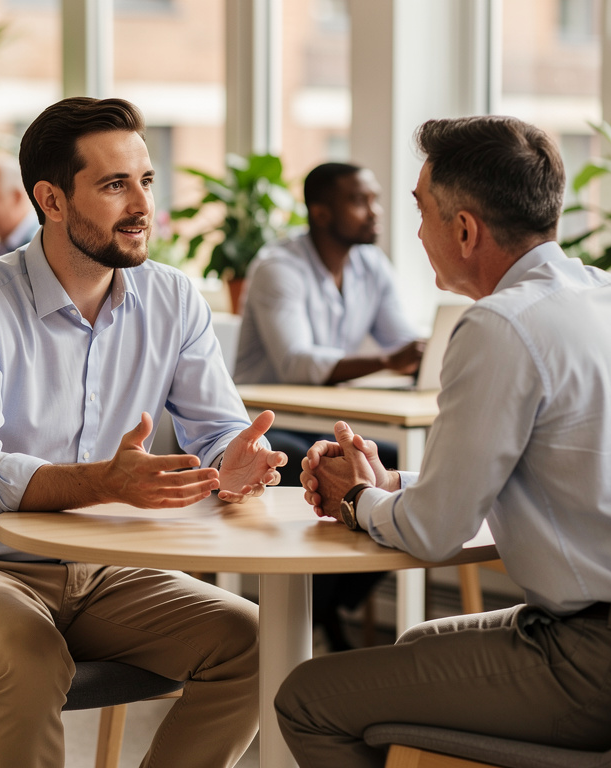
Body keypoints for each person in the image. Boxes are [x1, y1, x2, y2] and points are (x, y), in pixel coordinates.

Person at [277, 115, 611, 768]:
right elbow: (539, 477)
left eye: (421, 213)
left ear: (464, 229)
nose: (415, 233)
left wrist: (356, 497)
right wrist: (389, 486)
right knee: (414, 644)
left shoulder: (501, 323)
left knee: (307, 697)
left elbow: (436, 532)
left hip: (598, 666)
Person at [0, 97, 287, 768]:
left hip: (104, 575)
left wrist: (235, 462)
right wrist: (104, 481)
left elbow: (219, 430)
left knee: (256, 643)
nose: (142, 206)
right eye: (113, 185)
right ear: (51, 199)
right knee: (28, 654)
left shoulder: (173, 299)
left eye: (146, 181)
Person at [234, 162, 424, 650]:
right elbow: (297, 363)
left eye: (375, 199)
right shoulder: (279, 267)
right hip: (262, 422)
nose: (375, 212)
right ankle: (303, 615)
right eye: (360, 201)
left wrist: (425, 352)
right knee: (306, 463)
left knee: (393, 465)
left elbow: (399, 341)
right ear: (320, 212)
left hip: (324, 418)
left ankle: (326, 604)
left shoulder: (370, 265)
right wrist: (389, 359)